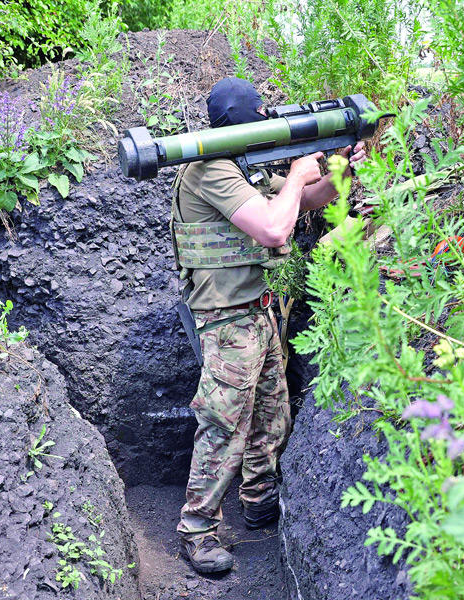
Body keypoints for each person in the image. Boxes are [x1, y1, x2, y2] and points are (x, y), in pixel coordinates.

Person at [171, 77, 365, 574]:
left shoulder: (243, 168)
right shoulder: (209, 169)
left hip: (260, 310)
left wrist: (339, 165)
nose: (265, 119)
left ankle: (257, 501)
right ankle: (197, 532)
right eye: (258, 112)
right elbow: (275, 226)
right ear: (240, 118)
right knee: (224, 425)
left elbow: (312, 200)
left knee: (271, 417)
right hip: (226, 318)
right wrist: (298, 176)